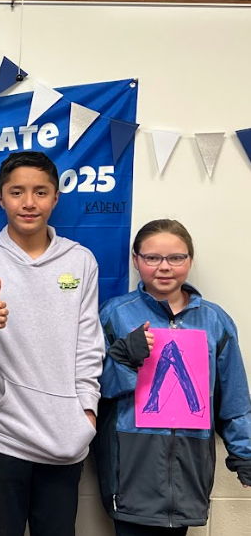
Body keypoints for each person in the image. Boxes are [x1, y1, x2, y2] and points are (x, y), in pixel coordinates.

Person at [0, 151, 104, 536]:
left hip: (66, 436)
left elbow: (89, 343)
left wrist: (87, 411)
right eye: (17, 192)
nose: (29, 203)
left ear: (56, 198)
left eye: (40, 192)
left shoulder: (81, 261)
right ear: (1, 198)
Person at [95, 219, 251, 536]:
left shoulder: (215, 320)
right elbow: (93, 389)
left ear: (189, 261)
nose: (164, 267)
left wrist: (244, 452)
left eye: (176, 257)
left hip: (190, 468)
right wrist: (123, 358)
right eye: (152, 257)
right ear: (136, 260)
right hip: (131, 468)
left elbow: (233, 396)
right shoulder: (114, 313)